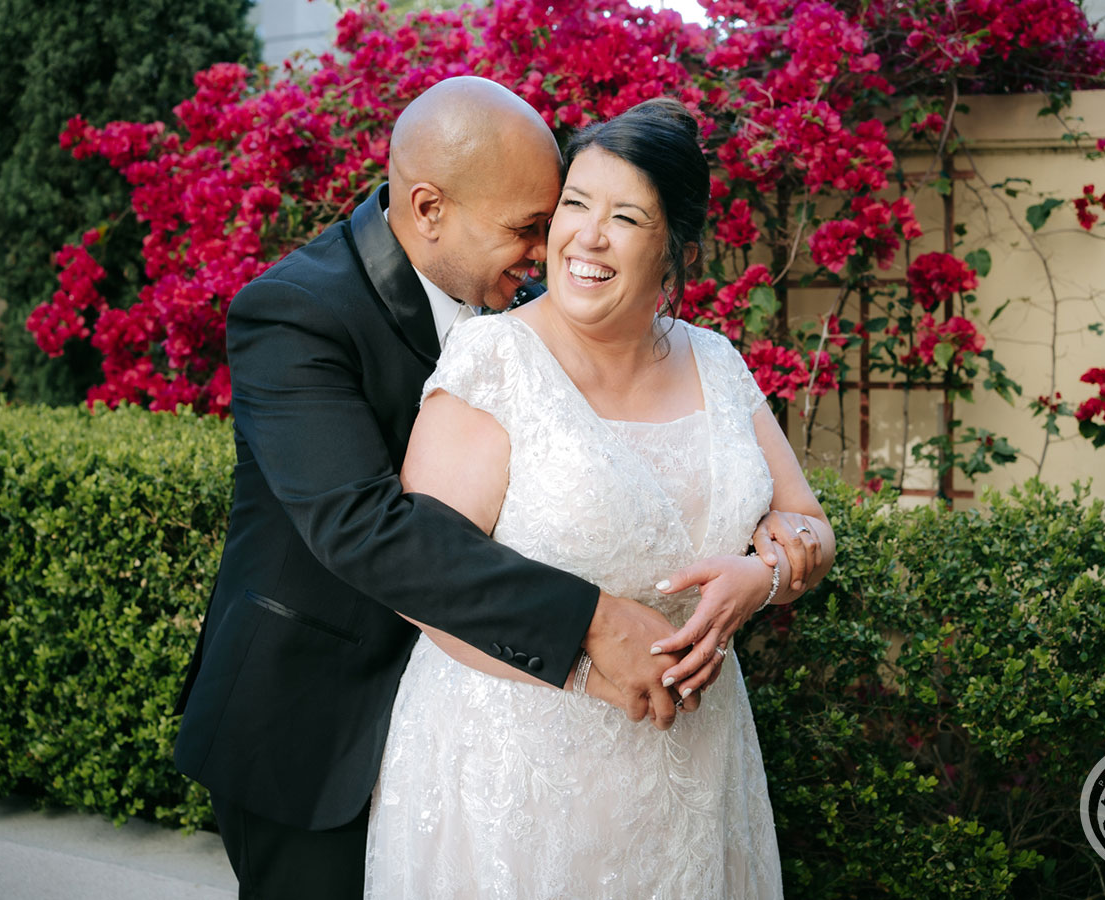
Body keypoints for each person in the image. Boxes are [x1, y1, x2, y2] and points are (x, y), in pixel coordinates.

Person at [172, 77, 804, 899]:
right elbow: (366, 526)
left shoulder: (528, 307)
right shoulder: (294, 312)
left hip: (507, 736)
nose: (550, 251)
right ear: (429, 207)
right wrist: (592, 622)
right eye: (528, 228)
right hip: (315, 722)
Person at [363, 98, 836, 898]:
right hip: (515, 779)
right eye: (574, 206)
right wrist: (593, 669)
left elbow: (806, 523)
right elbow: (425, 588)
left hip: (695, 769)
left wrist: (764, 578)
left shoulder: (716, 363)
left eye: (625, 217)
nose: (587, 236)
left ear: (672, 247)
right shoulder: (493, 362)